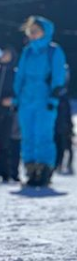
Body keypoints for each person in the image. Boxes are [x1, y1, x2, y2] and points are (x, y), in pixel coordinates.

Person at [13, 16, 67, 187]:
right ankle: (30, 169)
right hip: (26, 99)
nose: (33, 34)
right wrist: (16, 98)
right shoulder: (27, 51)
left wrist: (53, 97)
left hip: (44, 99)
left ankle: (44, 170)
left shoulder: (54, 51)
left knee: (43, 135)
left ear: (45, 31)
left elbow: (58, 76)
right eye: (31, 31)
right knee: (27, 135)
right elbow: (20, 76)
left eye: (36, 30)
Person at [0, 46, 16, 183]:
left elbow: (18, 91)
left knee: (5, 144)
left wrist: (12, 100)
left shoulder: (14, 73)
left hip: (7, 112)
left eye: (7, 54)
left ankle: (6, 173)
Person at [54, 94, 74, 175]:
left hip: (60, 128)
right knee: (62, 149)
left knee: (60, 148)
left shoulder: (56, 99)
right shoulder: (65, 100)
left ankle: (60, 165)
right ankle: (61, 164)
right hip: (63, 128)